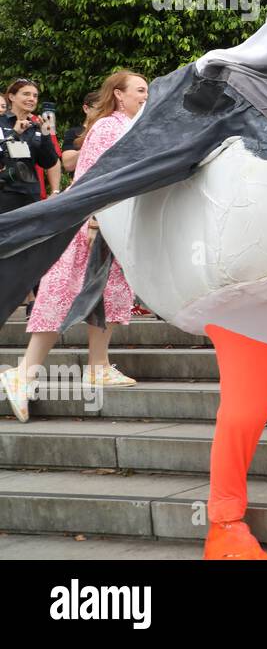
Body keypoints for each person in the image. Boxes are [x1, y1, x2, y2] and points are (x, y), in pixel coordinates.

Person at [0, 72, 149, 423]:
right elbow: (92, 176)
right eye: (140, 90)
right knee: (62, 294)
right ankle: (23, 372)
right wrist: (95, 217)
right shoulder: (107, 128)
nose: (146, 96)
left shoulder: (125, 127)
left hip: (109, 222)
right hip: (90, 223)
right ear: (119, 94)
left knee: (107, 293)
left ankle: (98, 366)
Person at [0, 79, 60, 215]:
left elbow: (49, 162)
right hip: (4, 194)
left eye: (35, 96)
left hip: (30, 195)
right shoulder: (1, 121)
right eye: (26, 94)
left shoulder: (35, 127)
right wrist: (14, 134)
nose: (31, 99)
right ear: (12, 97)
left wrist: (45, 133)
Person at [59, 92, 98, 174]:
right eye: (99, 109)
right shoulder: (74, 133)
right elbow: (68, 164)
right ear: (86, 109)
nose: (104, 113)